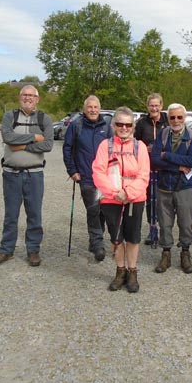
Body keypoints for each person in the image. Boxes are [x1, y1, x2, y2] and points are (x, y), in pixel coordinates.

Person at [0, 85, 53, 267]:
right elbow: (8, 138)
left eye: (31, 95)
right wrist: (35, 138)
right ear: (20, 97)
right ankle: (6, 250)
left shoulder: (44, 119)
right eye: (25, 95)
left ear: (37, 99)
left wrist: (22, 146)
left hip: (35, 174)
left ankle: (33, 250)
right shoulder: (10, 116)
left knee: (34, 214)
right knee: (11, 214)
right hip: (11, 174)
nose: (28, 98)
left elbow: (48, 145)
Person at [92, 107, 150, 293]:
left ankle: (132, 272)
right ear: (113, 125)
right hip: (111, 199)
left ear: (133, 126)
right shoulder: (105, 146)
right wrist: (115, 192)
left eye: (128, 124)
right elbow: (98, 172)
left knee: (133, 237)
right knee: (117, 238)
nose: (124, 128)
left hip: (135, 198)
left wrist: (128, 192)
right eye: (120, 124)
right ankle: (120, 271)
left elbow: (144, 175)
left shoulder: (139, 147)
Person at [151, 103, 192, 274]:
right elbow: (155, 160)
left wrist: (168, 156)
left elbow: (191, 161)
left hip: (185, 187)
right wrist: (177, 166)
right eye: (172, 117)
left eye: (180, 117)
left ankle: (185, 252)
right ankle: (166, 253)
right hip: (164, 185)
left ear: (184, 118)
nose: (176, 120)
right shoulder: (163, 134)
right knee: (164, 224)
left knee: (185, 223)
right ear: (168, 118)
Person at [63, 95, 113, 261]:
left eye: (95, 107)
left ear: (100, 108)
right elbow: (68, 149)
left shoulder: (106, 126)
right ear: (84, 109)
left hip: (105, 178)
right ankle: (97, 243)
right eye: (89, 107)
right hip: (86, 177)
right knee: (93, 210)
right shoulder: (76, 126)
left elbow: (114, 150)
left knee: (104, 210)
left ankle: (95, 239)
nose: (93, 110)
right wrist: (72, 170)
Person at [134, 93, 169, 248]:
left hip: (164, 166)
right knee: (150, 200)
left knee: (163, 200)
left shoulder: (168, 121)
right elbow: (135, 143)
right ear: (147, 106)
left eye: (157, 105)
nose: (154, 108)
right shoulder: (142, 123)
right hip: (147, 167)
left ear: (161, 106)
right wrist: (145, 148)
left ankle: (164, 230)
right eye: (151, 105)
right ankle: (152, 229)